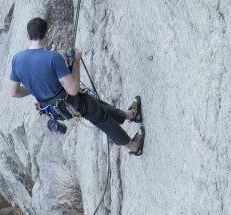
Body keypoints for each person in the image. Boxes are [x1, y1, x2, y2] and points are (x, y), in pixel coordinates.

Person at [9, 17, 144, 154]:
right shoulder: (52, 58)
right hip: (71, 102)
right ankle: (133, 147)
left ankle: (130, 115)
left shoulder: (17, 60)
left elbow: (14, 92)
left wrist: (35, 88)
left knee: (97, 105)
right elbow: (73, 90)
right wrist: (76, 62)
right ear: (47, 33)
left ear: (27, 35)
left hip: (53, 109)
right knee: (102, 119)